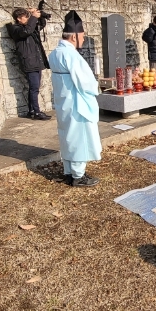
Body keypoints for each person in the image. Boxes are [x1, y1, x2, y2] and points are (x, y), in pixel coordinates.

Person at [49, 10, 101, 187]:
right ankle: (78, 176)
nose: (84, 39)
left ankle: (69, 172)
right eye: (83, 36)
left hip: (64, 101)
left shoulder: (55, 53)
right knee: (79, 137)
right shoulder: (71, 55)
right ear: (74, 37)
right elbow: (85, 82)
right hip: (76, 103)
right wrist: (96, 88)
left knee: (67, 137)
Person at [9, 7, 51, 121]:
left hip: (36, 61)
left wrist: (39, 13)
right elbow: (26, 32)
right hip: (29, 62)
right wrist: (33, 17)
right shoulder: (15, 29)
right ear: (18, 18)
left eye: (28, 16)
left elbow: (40, 25)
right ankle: (36, 112)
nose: (28, 18)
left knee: (34, 87)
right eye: (26, 16)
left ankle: (31, 111)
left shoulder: (29, 27)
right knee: (34, 88)